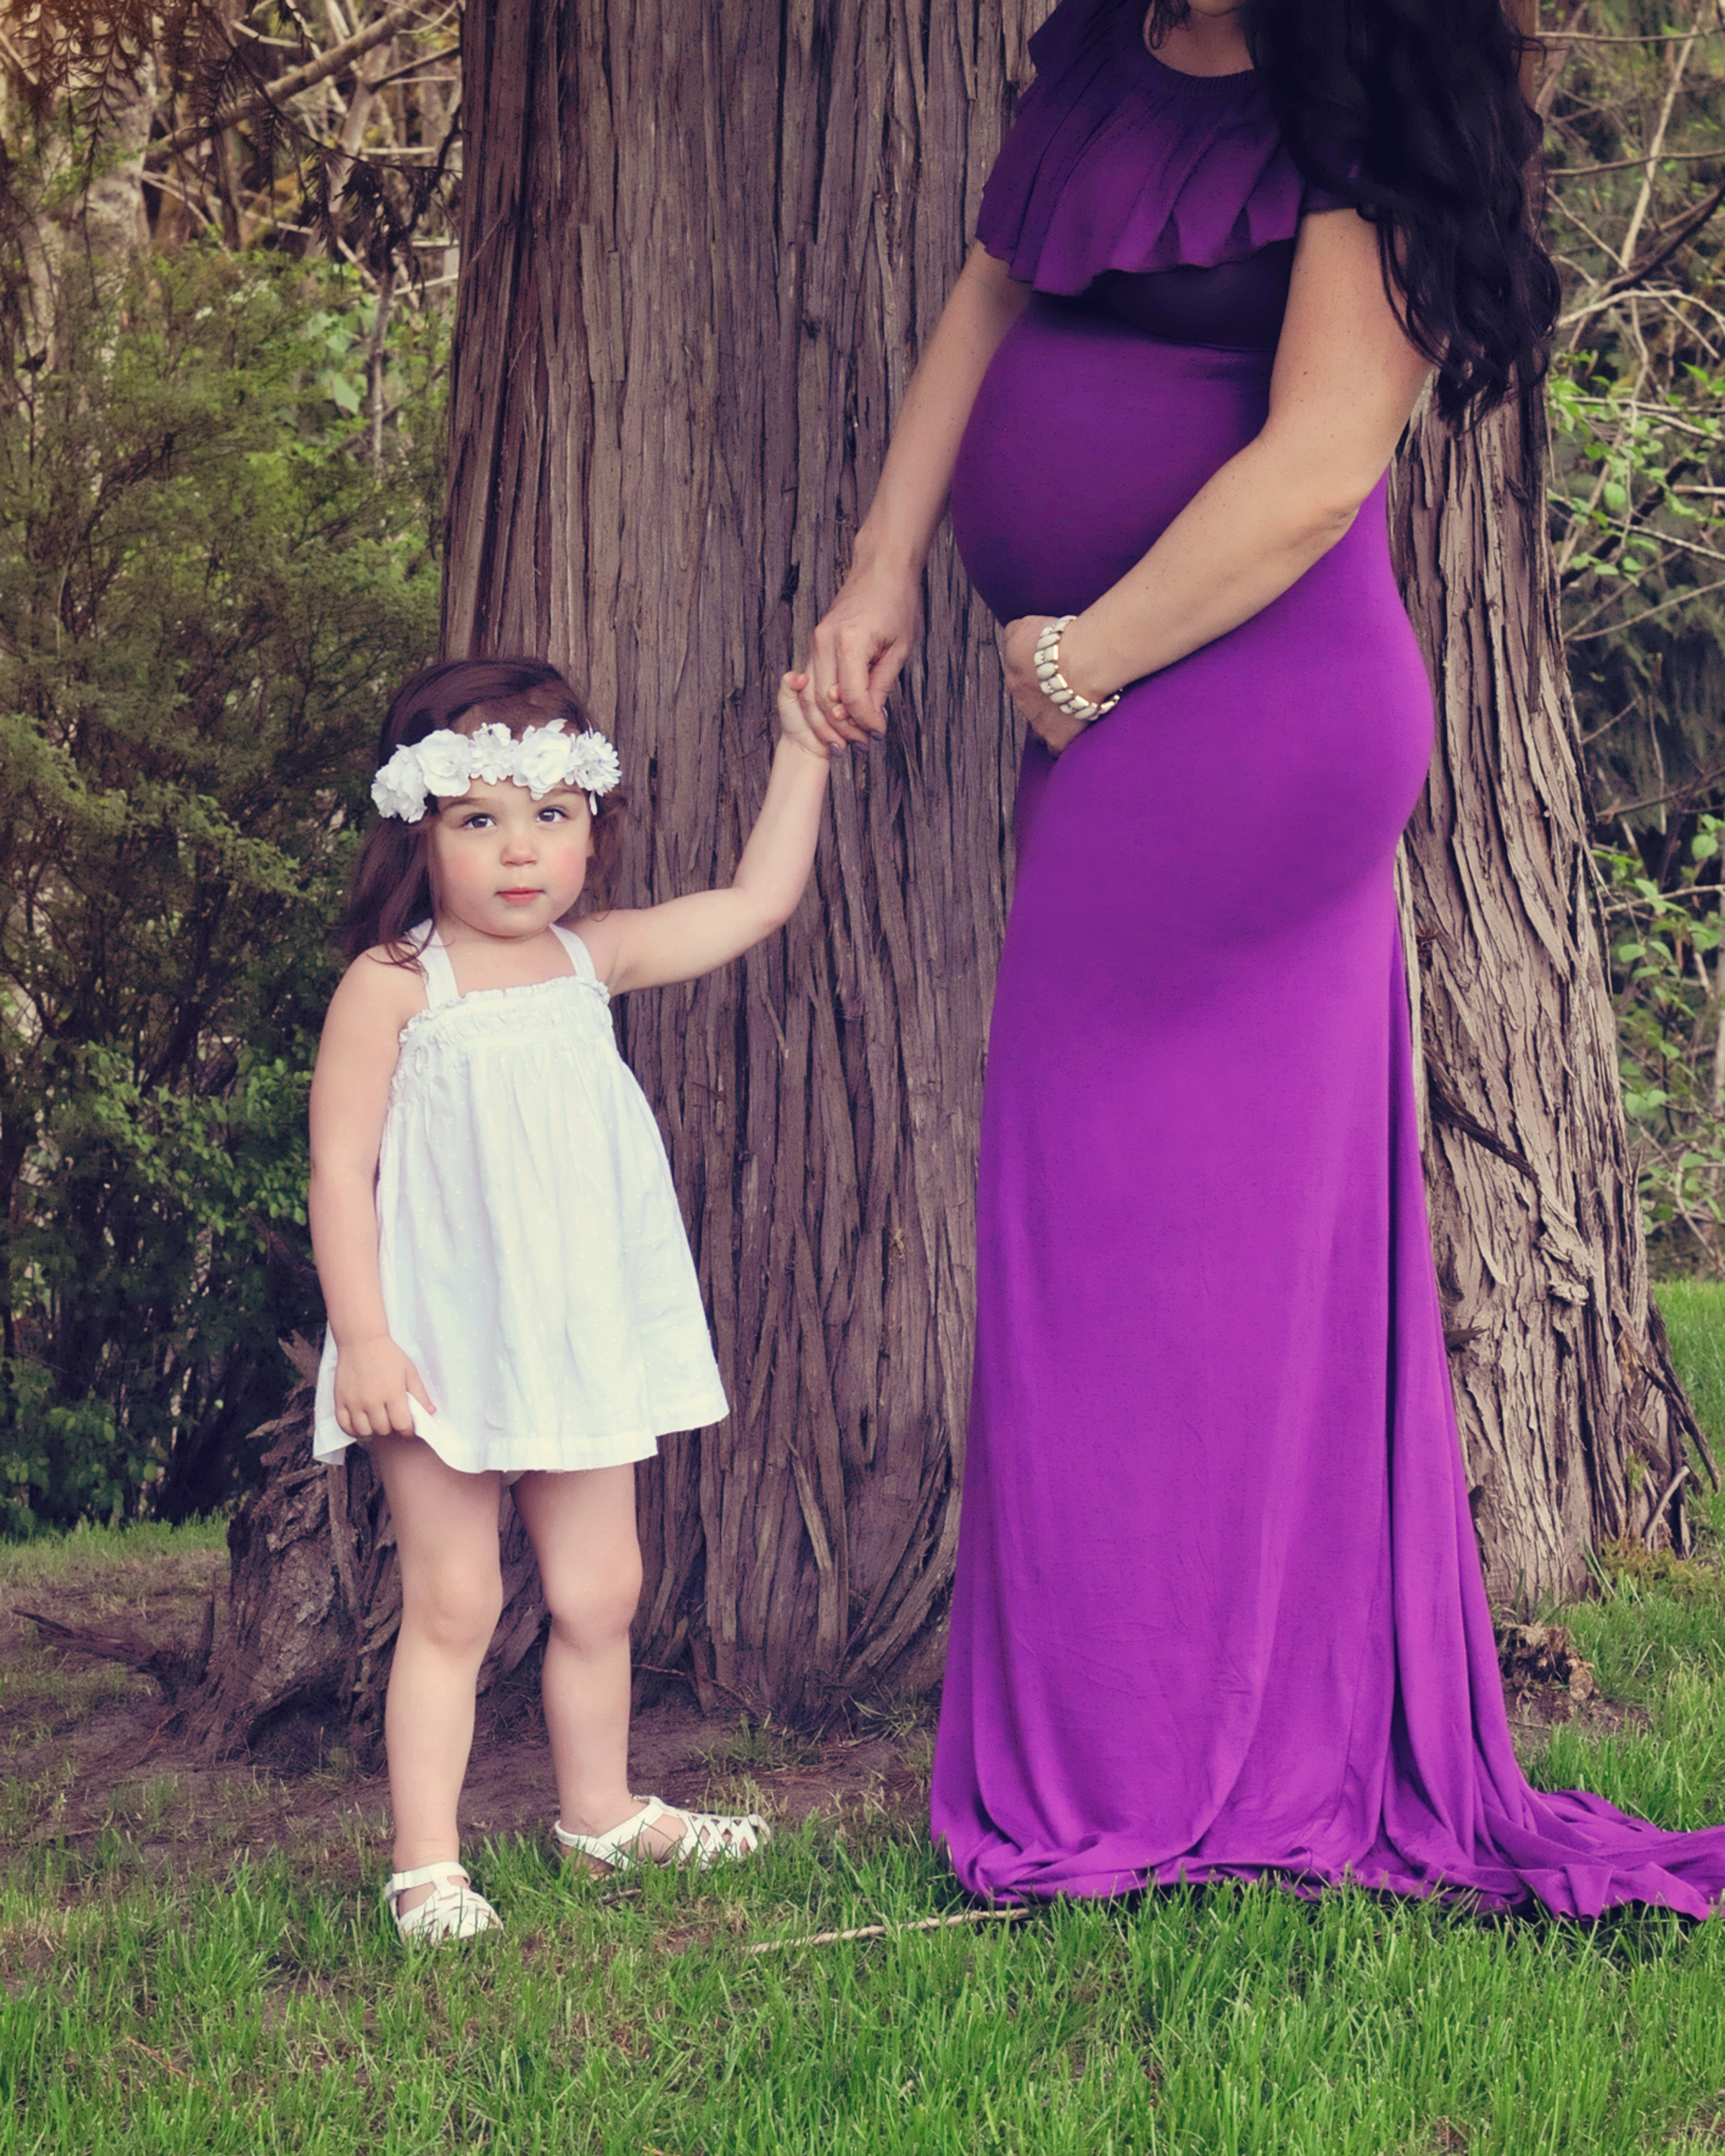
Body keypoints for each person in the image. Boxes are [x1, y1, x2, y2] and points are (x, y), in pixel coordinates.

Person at [804, 0, 1725, 1913]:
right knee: (1154, 1259)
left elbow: (1317, 468)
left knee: (1114, 1245)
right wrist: (884, 562)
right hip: (1134, 715)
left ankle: (1153, 1763)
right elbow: (992, 291)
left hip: (1241, 715)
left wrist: (1081, 663)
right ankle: (1196, 1733)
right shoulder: (1107, 48)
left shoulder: (1371, 86)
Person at [308, 657, 832, 1942]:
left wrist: (806, 746)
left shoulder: (592, 960)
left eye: (550, 814)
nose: (519, 850)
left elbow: (759, 900)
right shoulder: (395, 983)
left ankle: (599, 1815)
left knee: (602, 1593)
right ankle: (426, 1867)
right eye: (477, 820)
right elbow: (338, 1166)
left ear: (592, 825)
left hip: (576, 1332)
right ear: (419, 832)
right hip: (434, 1344)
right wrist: (365, 1338)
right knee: (454, 1602)